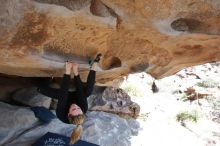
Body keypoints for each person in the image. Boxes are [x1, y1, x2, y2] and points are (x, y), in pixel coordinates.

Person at [37, 53, 102, 144]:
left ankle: (48, 78)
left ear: (68, 114)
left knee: (41, 89)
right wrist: (76, 72)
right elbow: (79, 90)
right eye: (78, 108)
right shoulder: (84, 108)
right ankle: (94, 66)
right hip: (76, 95)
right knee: (88, 92)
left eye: (73, 109)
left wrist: (67, 71)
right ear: (82, 111)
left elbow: (63, 92)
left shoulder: (61, 114)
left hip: (64, 97)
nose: (75, 106)